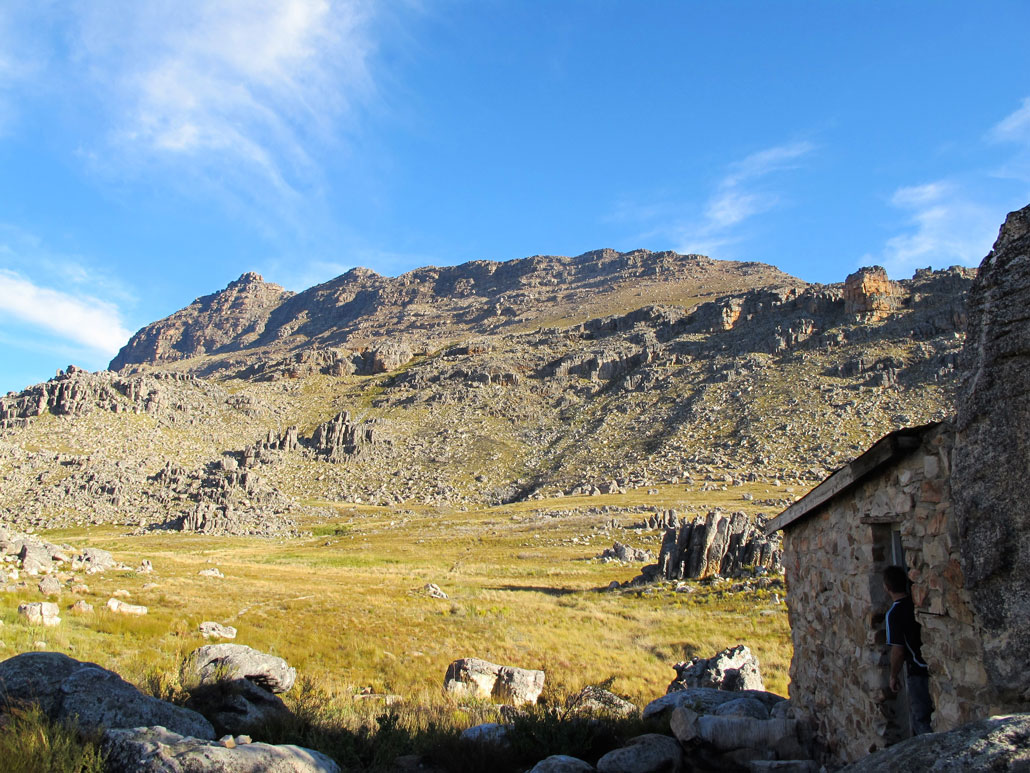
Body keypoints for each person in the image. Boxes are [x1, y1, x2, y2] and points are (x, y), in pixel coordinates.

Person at [883, 564, 933, 735]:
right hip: (931, 667)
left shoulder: (894, 613)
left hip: (917, 671)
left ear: (887, 587)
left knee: (921, 719)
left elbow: (898, 650)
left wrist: (893, 675)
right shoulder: (915, 604)